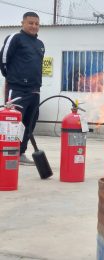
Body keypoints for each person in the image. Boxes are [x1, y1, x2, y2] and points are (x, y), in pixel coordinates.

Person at [0, 12, 45, 165]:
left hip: (35, 90)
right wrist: (12, 78)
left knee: (29, 123)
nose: (34, 26)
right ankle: (7, 153)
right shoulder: (15, 38)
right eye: (30, 23)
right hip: (17, 89)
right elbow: (4, 59)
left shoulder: (40, 44)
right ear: (23, 23)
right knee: (12, 123)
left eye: (36, 24)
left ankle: (20, 153)